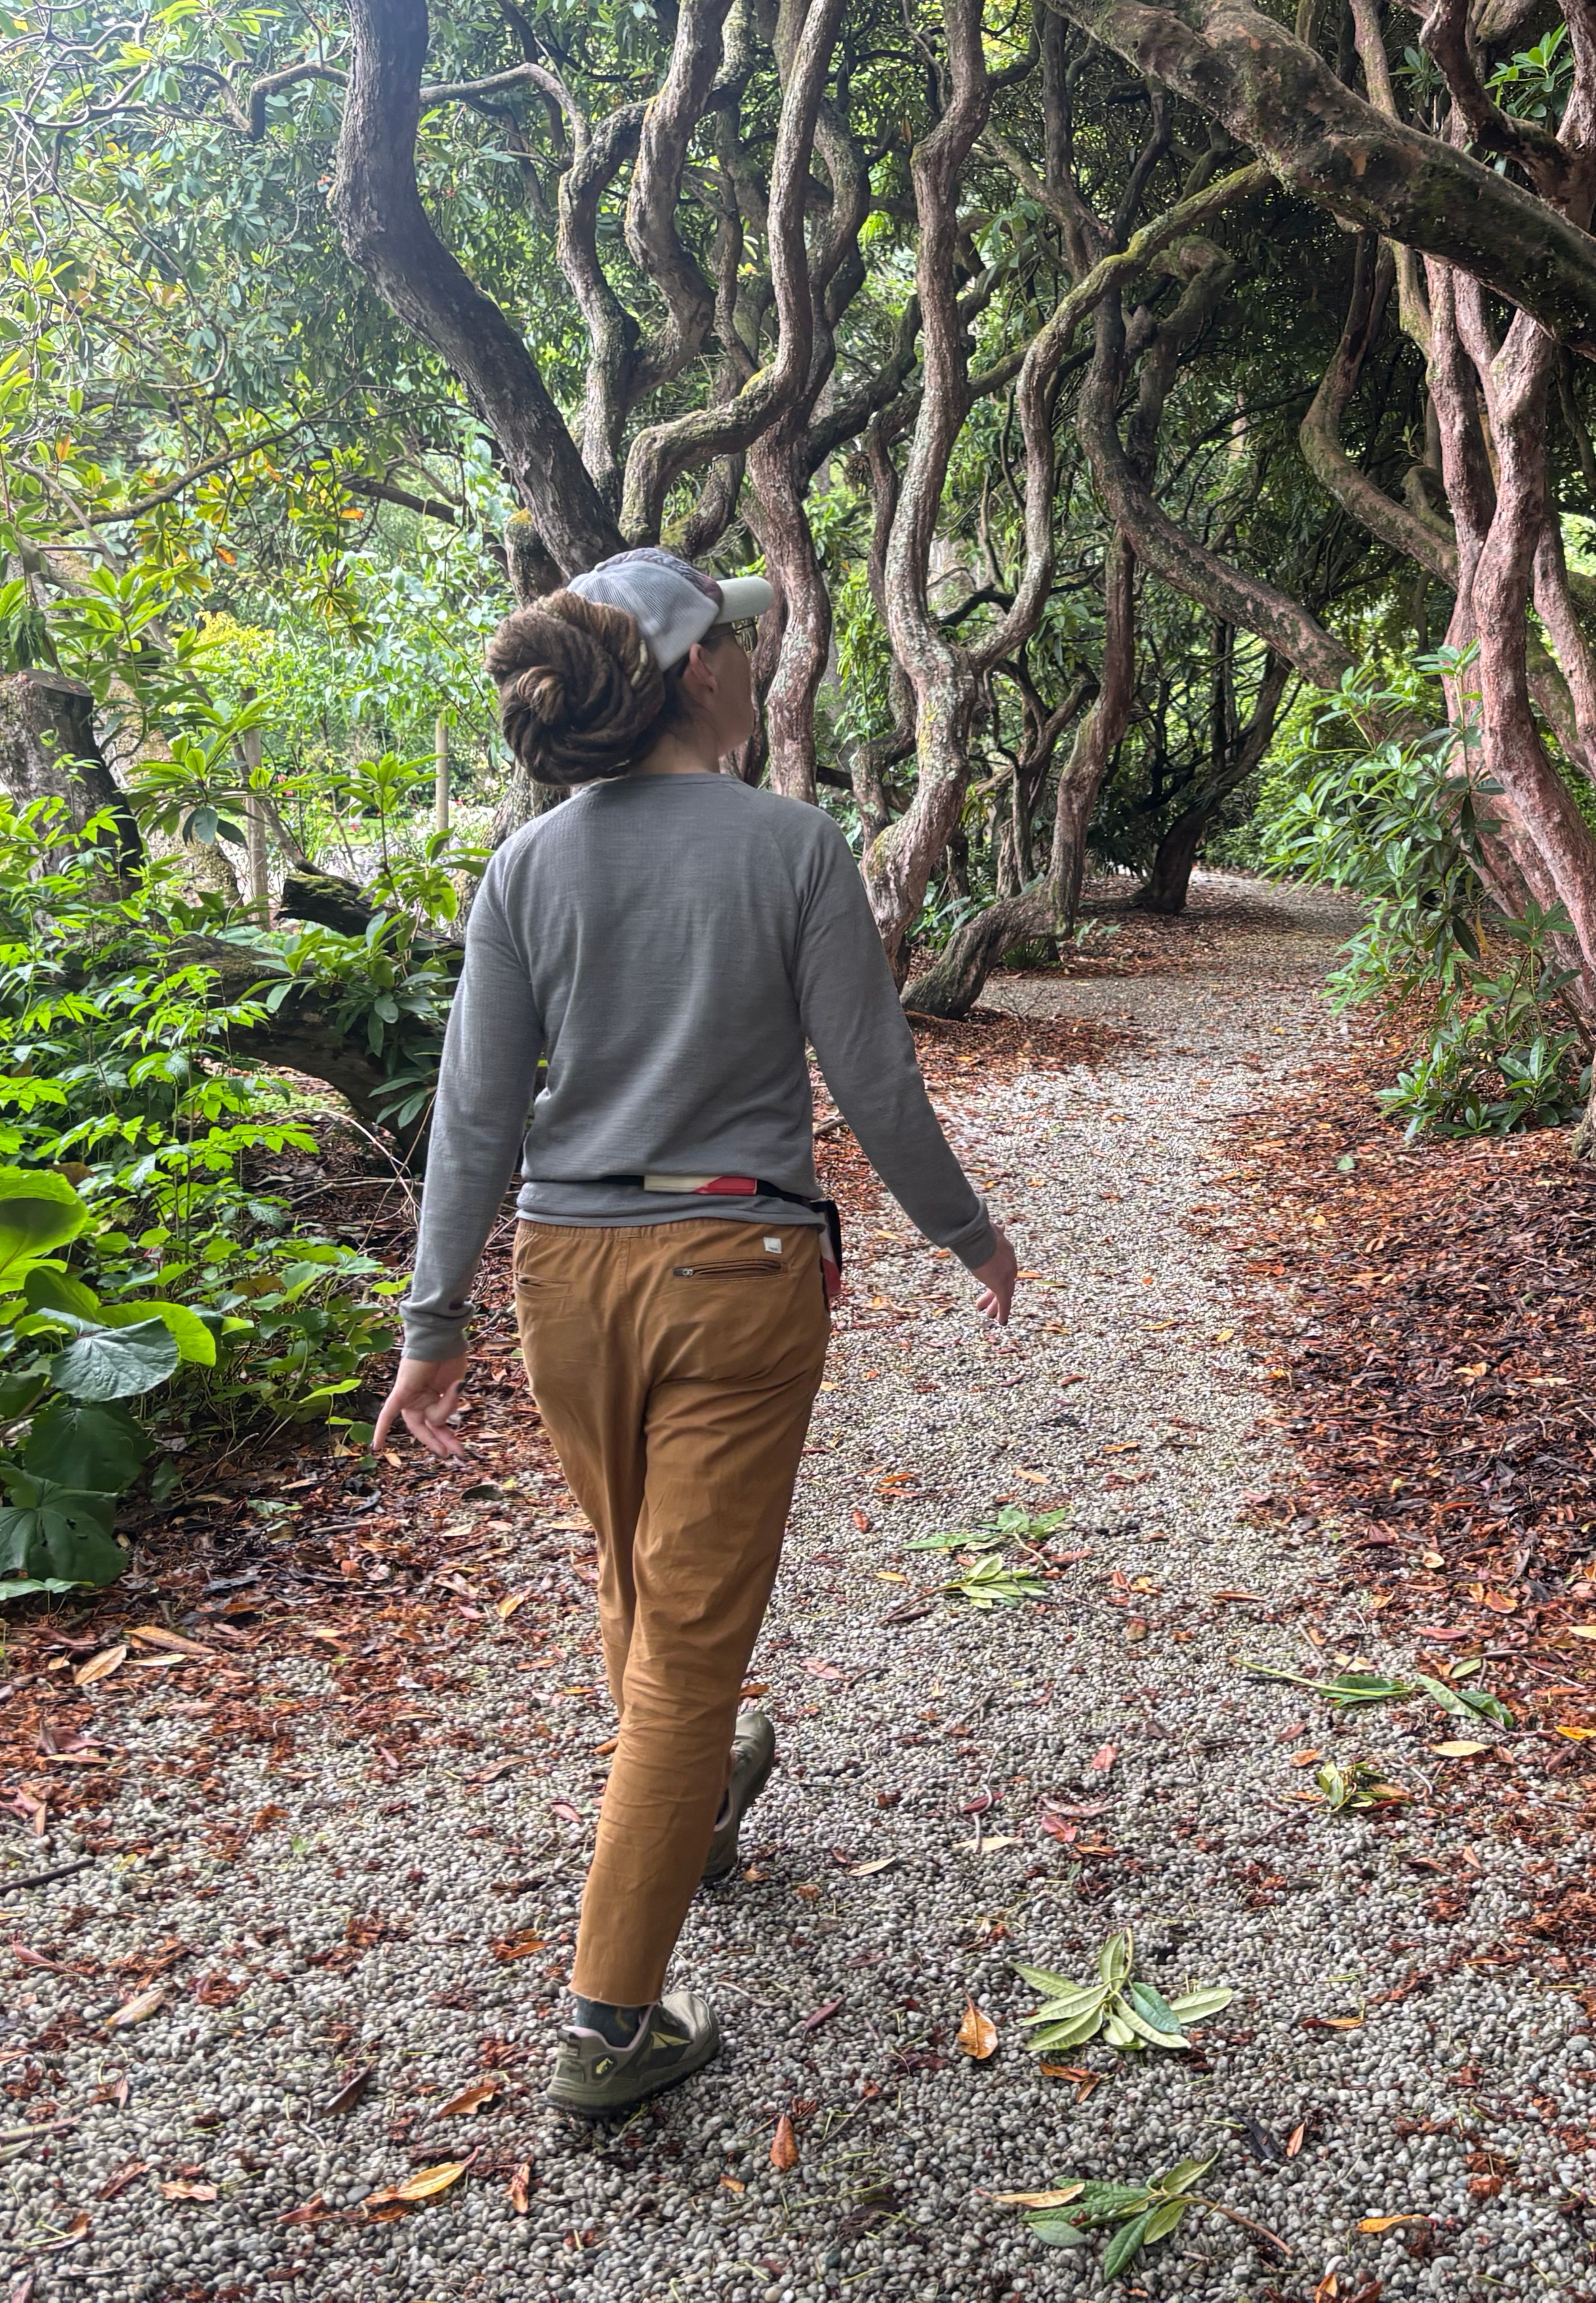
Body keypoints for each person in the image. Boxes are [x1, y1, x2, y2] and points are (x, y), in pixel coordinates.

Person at [372, 547, 1017, 2116]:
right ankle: (611, 2021)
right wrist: (969, 1233)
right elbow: (877, 1083)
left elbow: (473, 1117)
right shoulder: (794, 848)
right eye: (729, 637)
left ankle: (707, 1791)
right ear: (696, 677)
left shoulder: (524, 870)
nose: (744, 654)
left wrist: (435, 1321)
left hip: (564, 1276)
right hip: (736, 1267)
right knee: (685, 1650)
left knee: (636, 1578)